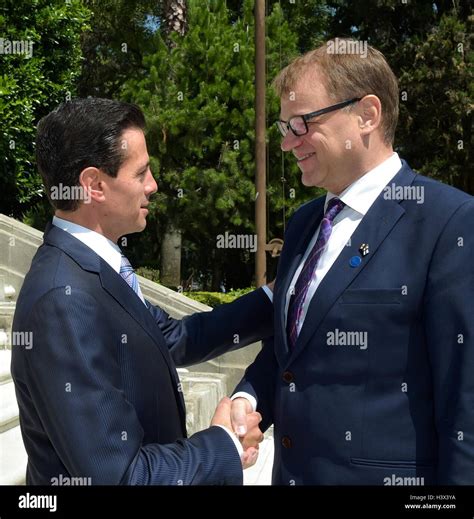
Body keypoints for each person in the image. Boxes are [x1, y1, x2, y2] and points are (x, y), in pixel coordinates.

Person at [231, 38, 474, 485]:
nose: (287, 143)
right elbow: (294, 353)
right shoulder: (306, 223)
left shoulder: (450, 222)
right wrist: (248, 396)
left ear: (366, 115)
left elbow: (466, 401)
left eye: (301, 124)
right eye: (285, 126)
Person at [11, 98, 274, 485]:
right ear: (94, 185)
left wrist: (277, 297)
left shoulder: (96, 268)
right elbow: (120, 475)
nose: (153, 185)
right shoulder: (62, 302)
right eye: (141, 173)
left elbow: (175, 337)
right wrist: (225, 445)